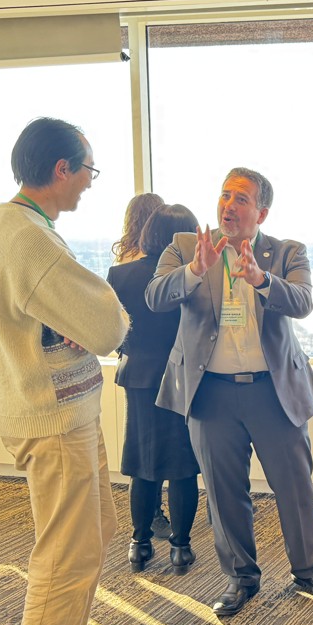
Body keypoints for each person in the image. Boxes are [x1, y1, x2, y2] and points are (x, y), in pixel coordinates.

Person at [0, 117, 129, 625]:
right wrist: (92, 319)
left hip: (59, 410)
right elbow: (108, 325)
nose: (90, 182)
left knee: (93, 530)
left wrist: (71, 321)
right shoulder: (30, 239)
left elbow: (58, 317)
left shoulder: (13, 224)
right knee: (67, 549)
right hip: (53, 419)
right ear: (61, 169)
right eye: (88, 170)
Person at [146, 167, 313, 616]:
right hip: (210, 393)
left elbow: (303, 302)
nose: (229, 205)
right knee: (223, 492)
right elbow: (154, 297)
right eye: (225, 195)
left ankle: (309, 570)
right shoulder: (186, 247)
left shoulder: (287, 252)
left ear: (262, 212)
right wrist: (195, 270)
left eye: (241, 199)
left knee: (294, 485)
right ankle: (240, 577)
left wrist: (261, 280)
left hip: (272, 390)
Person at [107, 204, 202, 574]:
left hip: (140, 377)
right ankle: (180, 547)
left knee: (142, 464)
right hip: (186, 377)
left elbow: (116, 331)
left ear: (148, 233)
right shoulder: (192, 276)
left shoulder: (120, 274)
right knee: (183, 465)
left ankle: (140, 544)